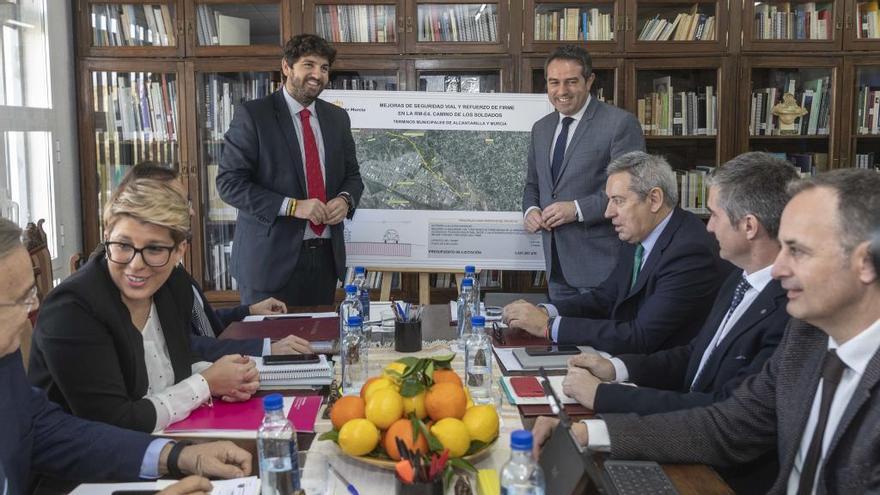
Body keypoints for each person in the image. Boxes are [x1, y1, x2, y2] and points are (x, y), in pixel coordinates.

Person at [532, 168, 880, 494]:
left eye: (798, 251)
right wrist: (584, 432)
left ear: (864, 263)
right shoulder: (806, 340)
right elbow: (727, 424)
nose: (779, 269)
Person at [560, 152, 797, 492]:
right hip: (684, 437)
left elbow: (724, 411)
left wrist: (605, 397)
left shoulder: (789, 310)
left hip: (722, 474)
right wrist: (616, 369)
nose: (708, 226)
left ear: (748, 225)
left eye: (714, 215)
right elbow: (695, 357)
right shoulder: (738, 277)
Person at [0, 217, 251, 494]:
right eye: (22, 298)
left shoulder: (5, 359)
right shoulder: (75, 307)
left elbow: (44, 429)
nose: (32, 311)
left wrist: (176, 456)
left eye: (32, 293)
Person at [29, 178, 259, 434]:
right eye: (124, 245)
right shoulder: (71, 310)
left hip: (161, 441)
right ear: (107, 236)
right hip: (89, 466)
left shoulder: (174, 285)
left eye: (154, 249)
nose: (136, 264)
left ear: (180, 250)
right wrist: (206, 383)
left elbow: (173, 367)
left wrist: (234, 376)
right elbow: (113, 423)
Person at [505, 151, 730, 354]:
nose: (608, 212)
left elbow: (641, 336)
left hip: (660, 380)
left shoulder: (690, 252)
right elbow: (606, 297)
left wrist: (548, 326)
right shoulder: (638, 233)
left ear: (654, 199)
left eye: (618, 201)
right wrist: (546, 310)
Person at [107, 161, 312, 358]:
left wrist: (249, 311)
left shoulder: (173, 267)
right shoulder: (148, 276)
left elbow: (202, 324)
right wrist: (266, 348)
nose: (192, 211)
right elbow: (186, 345)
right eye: (180, 204)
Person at [217, 34, 364, 306]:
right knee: (272, 346)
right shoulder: (254, 115)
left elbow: (353, 176)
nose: (317, 75)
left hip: (324, 259)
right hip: (268, 263)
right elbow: (229, 183)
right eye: (309, 65)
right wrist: (294, 206)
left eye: (324, 68)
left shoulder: (337, 118)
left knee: (318, 346)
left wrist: (344, 199)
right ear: (286, 67)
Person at [523, 45, 645, 301]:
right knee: (562, 339)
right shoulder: (541, 129)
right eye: (554, 82)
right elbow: (533, 184)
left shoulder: (619, 124)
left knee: (598, 339)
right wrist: (531, 211)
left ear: (589, 81)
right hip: (556, 266)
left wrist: (576, 209)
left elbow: (631, 191)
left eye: (571, 82)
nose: (561, 91)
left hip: (601, 266)